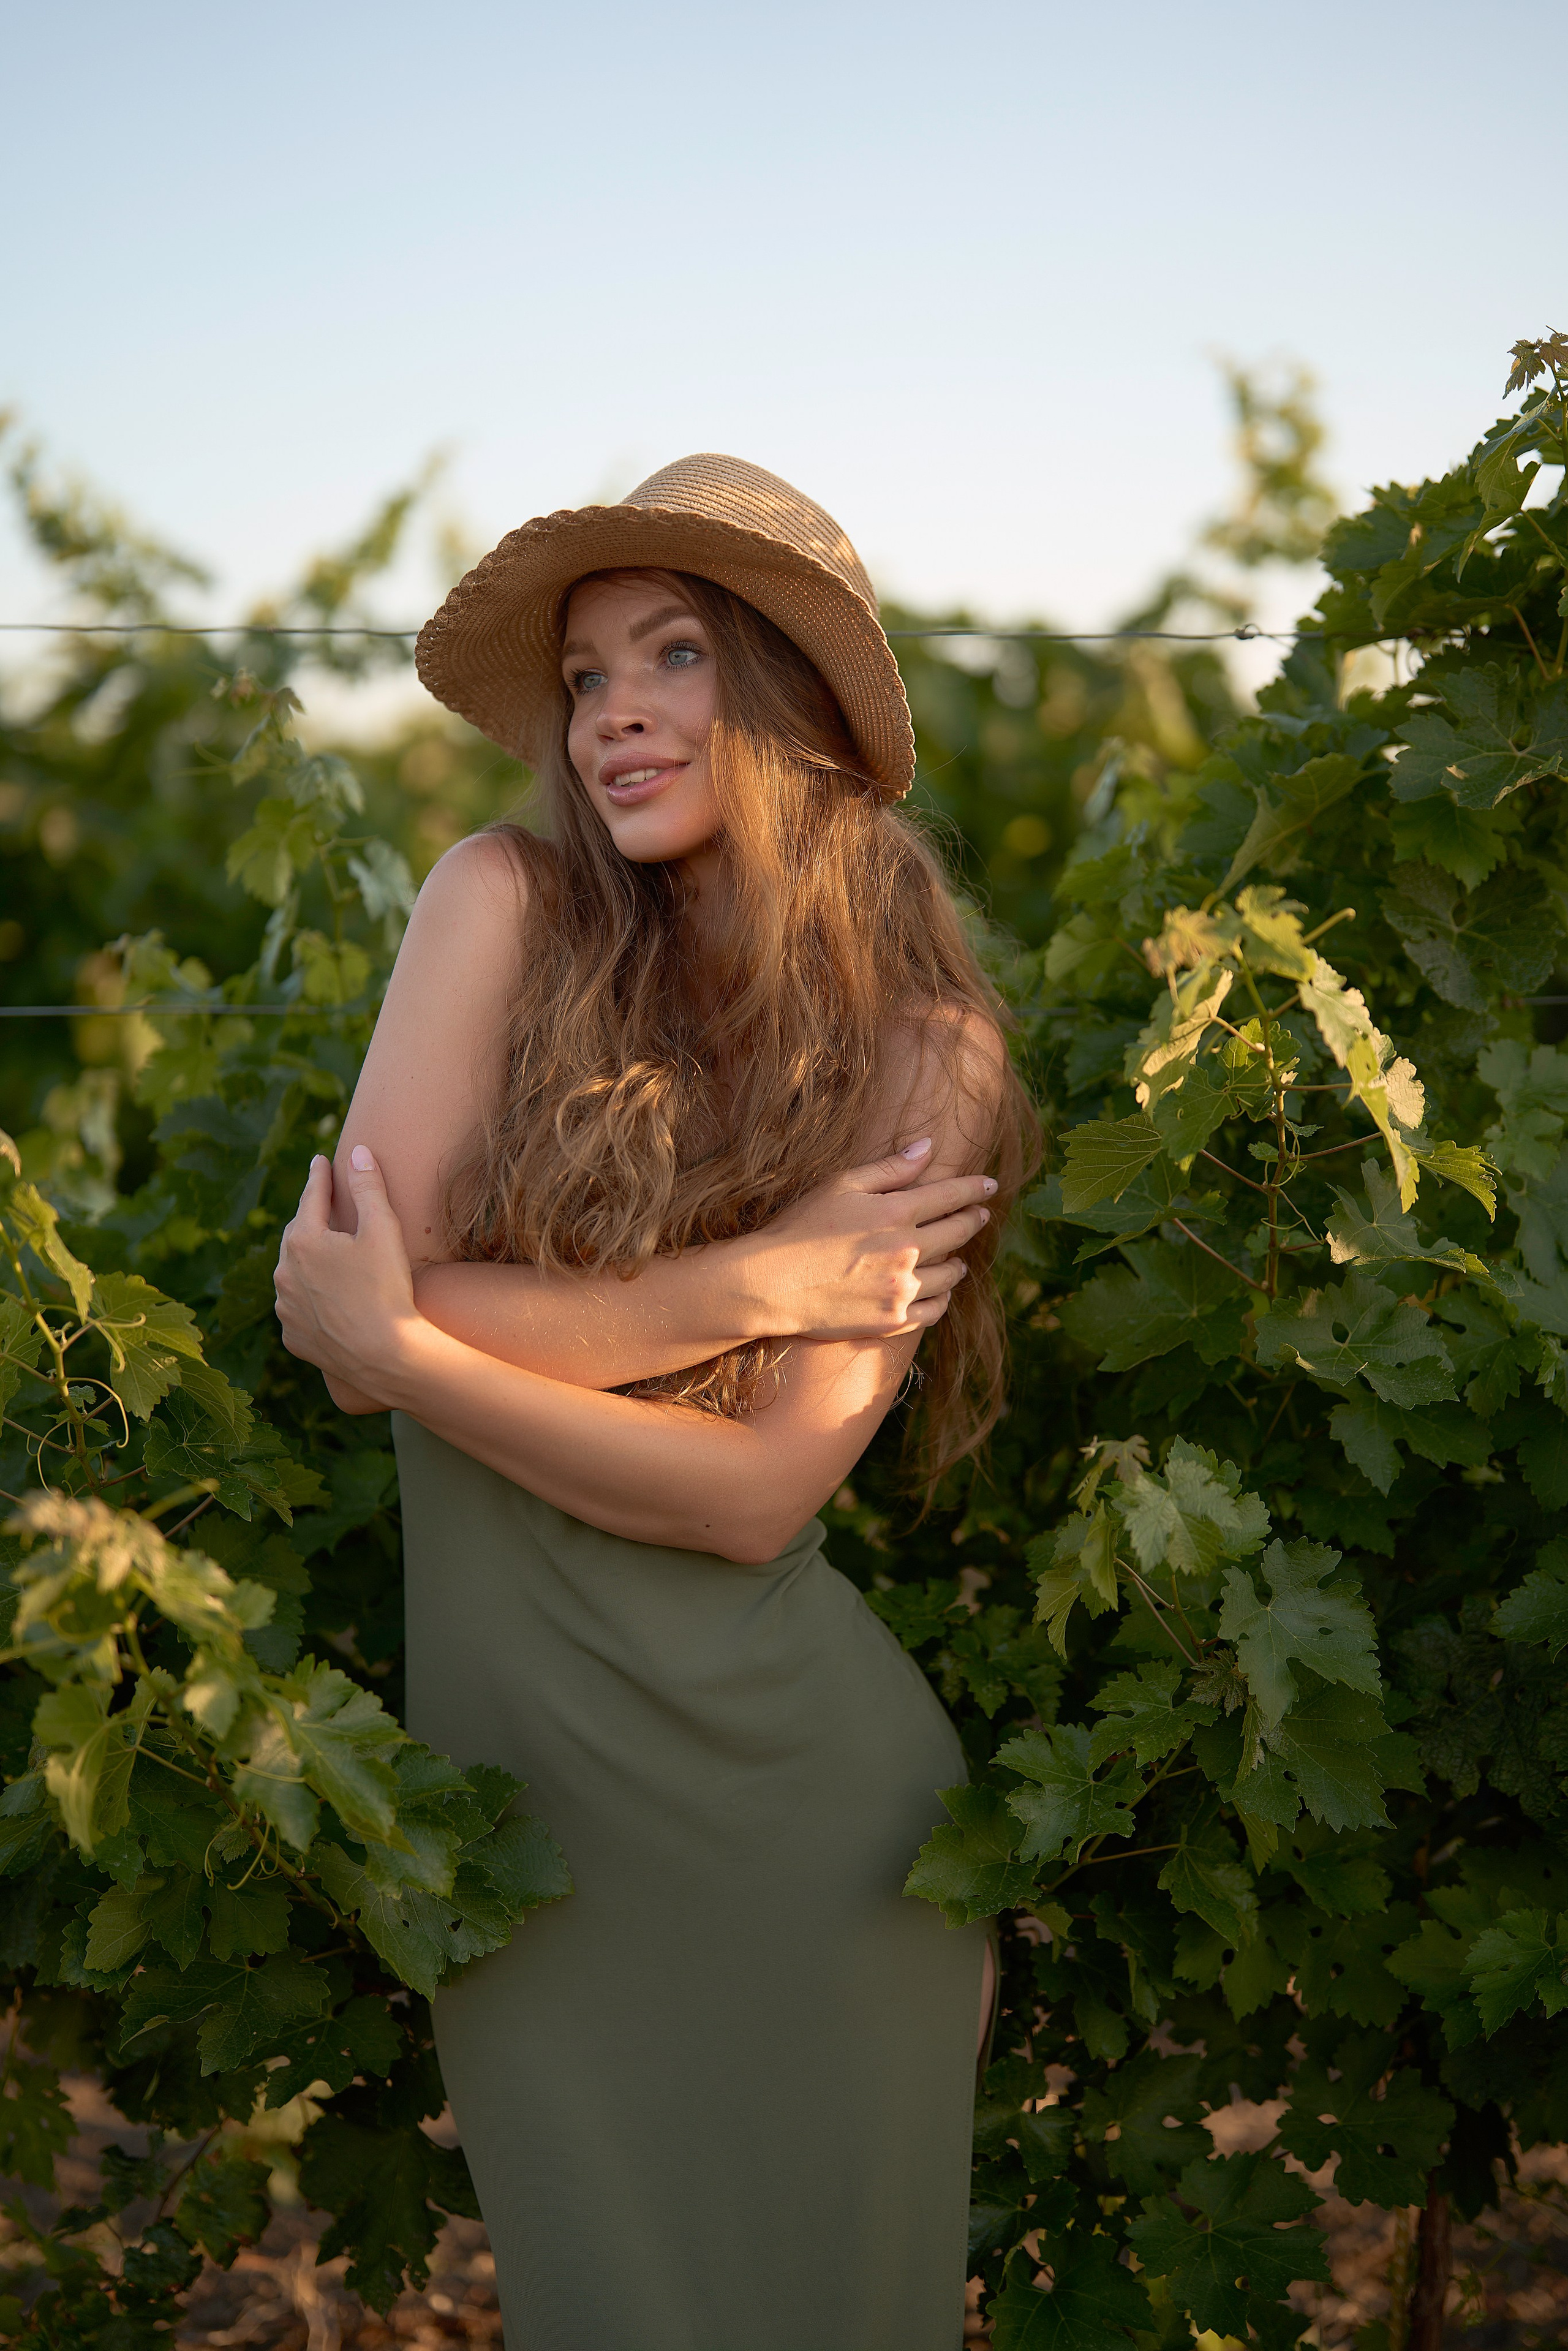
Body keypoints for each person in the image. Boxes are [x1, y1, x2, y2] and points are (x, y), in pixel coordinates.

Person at [273, 455, 1037, 2351]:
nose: (612, 707)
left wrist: (421, 1362)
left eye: (676, 654)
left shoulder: (923, 1047)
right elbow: (350, 1287)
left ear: (792, 699)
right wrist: (734, 1290)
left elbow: (758, 1496)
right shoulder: (499, 906)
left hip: (808, 1821)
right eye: (592, 671)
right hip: (538, 1832)